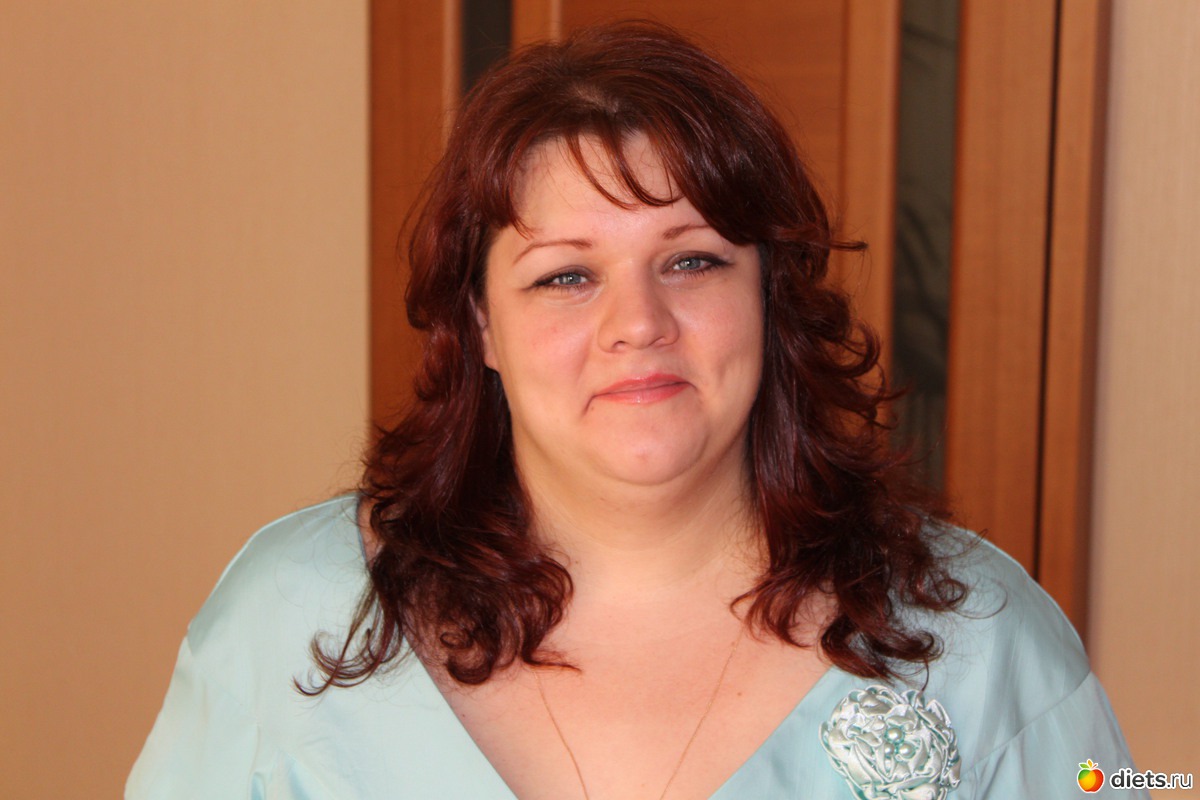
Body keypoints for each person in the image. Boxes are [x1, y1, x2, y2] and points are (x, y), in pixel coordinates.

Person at [128, 21, 1142, 800]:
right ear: (480, 326)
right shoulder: (285, 621)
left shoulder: (986, 645)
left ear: (770, 292)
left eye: (691, 261)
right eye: (566, 277)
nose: (638, 324)